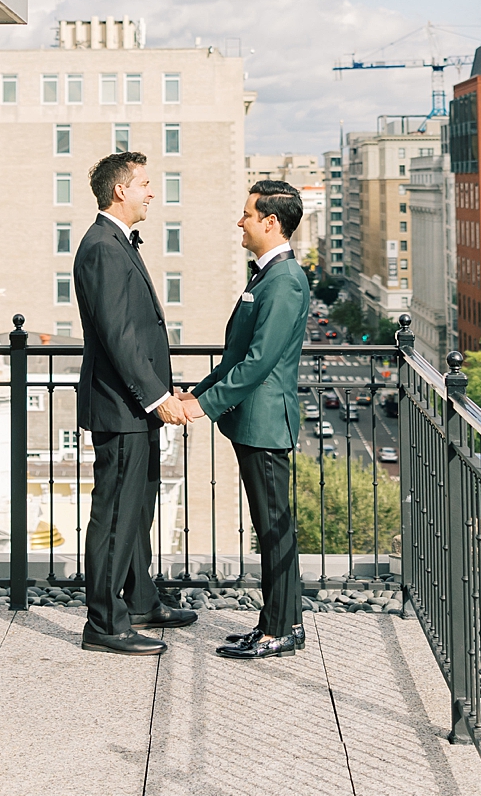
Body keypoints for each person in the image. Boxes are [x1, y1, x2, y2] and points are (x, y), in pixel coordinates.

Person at [72, 151, 198, 655]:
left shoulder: (117, 242)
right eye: (145, 183)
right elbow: (120, 335)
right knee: (116, 513)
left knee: (138, 507)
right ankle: (103, 623)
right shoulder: (102, 246)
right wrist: (159, 397)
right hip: (120, 406)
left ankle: (141, 600)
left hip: (135, 406)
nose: (151, 192)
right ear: (120, 190)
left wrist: (162, 394)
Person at [176, 180, 308, 659]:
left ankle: (279, 630)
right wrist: (199, 391)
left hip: (266, 423)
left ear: (270, 222)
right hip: (254, 421)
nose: (241, 222)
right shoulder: (267, 275)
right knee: (272, 525)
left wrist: (201, 407)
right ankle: (282, 623)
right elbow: (237, 357)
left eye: (248, 214)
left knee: (273, 528)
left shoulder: (285, 280)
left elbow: (257, 362)